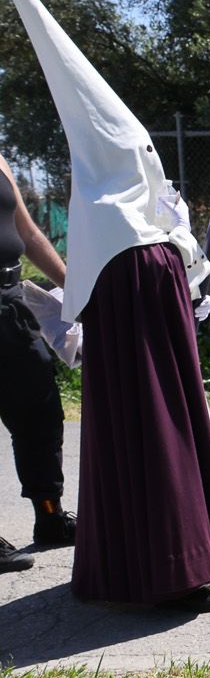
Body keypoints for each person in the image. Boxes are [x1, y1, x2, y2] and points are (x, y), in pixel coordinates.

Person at [1, 0, 210, 611]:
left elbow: (161, 216)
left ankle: (127, 548)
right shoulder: (111, 216)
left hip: (44, 294)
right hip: (128, 299)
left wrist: (189, 266)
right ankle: (168, 564)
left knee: (77, 421)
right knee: (152, 429)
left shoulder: (118, 203)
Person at [0, 152, 75, 572]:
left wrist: (74, 289)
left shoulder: (1, 160)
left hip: (10, 299)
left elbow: (27, 233)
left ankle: (50, 517)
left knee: (40, 412)